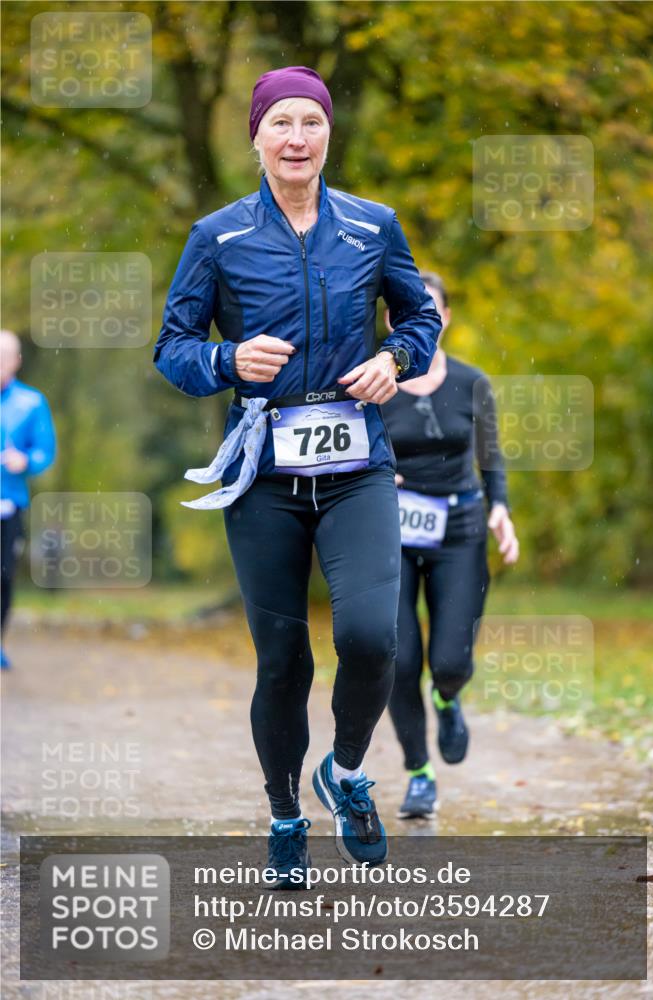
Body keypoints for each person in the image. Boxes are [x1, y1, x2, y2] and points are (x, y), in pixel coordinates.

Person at [154, 67, 441, 879]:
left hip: (356, 462)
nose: (295, 137)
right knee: (282, 659)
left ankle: (345, 773)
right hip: (264, 469)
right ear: (256, 137)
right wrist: (225, 356)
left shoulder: (372, 226)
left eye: (309, 123)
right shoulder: (218, 237)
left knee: (369, 636)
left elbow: (416, 316)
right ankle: (285, 816)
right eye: (279, 122)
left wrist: (395, 357)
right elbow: (171, 349)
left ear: (326, 137)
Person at [381, 272, 519, 819]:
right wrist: (374, 473)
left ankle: (447, 696)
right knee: (397, 658)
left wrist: (500, 508)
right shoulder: (371, 380)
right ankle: (418, 773)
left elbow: (491, 455)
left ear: (446, 318)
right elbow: (346, 445)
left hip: (459, 531)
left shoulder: (471, 382)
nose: (417, 319)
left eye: (429, 310)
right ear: (391, 319)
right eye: (404, 311)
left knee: (449, 661)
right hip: (387, 535)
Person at [0, 330, 57, 669]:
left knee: (3, 578)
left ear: (17, 361)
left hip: (9, 505)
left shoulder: (32, 403)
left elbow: (45, 453)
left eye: (3, 358)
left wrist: (26, 461)